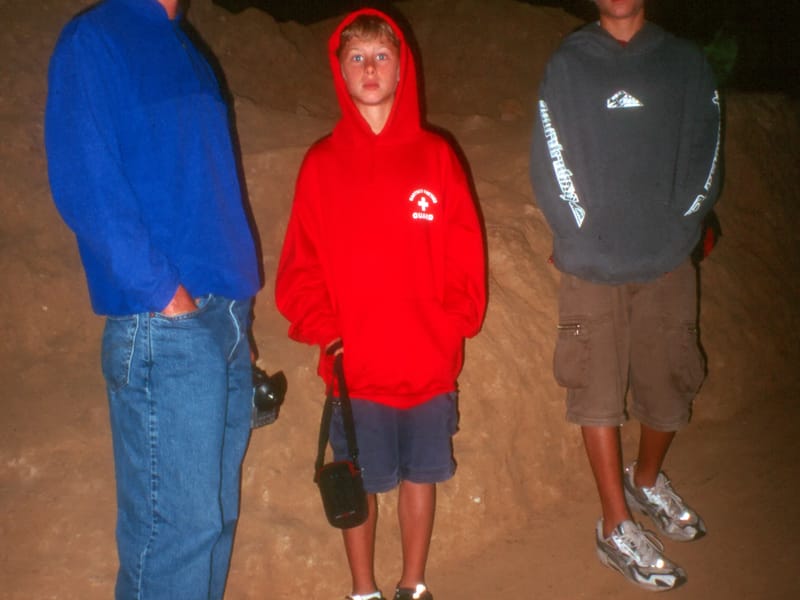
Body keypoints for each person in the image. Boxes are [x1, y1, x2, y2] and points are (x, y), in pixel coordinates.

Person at [44, 0, 262, 597]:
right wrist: (167, 296)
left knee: (213, 523)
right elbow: (85, 182)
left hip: (227, 318)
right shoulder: (95, 39)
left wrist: (238, 304)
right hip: (165, 327)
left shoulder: (186, 49)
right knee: (175, 534)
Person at [275, 9, 486, 600]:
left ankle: (412, 584)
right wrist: (330, 334)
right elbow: (299, 269)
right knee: (358, 481)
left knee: (422, 475)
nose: (370, 68)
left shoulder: (435, 157)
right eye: (357, 58)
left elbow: (466, 253)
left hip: (427, 364)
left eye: (381, 57)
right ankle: (363, 589)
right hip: (357, 370)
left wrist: (451, 326)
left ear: (403, 67)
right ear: (340, 72)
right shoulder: (321, 166)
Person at [529, 0, 721, 592]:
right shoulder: (569, 64)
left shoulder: (684, 63)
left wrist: (679, 228)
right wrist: (581, 231)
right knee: (597, 393)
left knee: (669, 387)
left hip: (666, 262)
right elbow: (550, 156)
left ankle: (648, 477)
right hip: (592, 265)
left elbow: (706, 155)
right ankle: (615, 525)